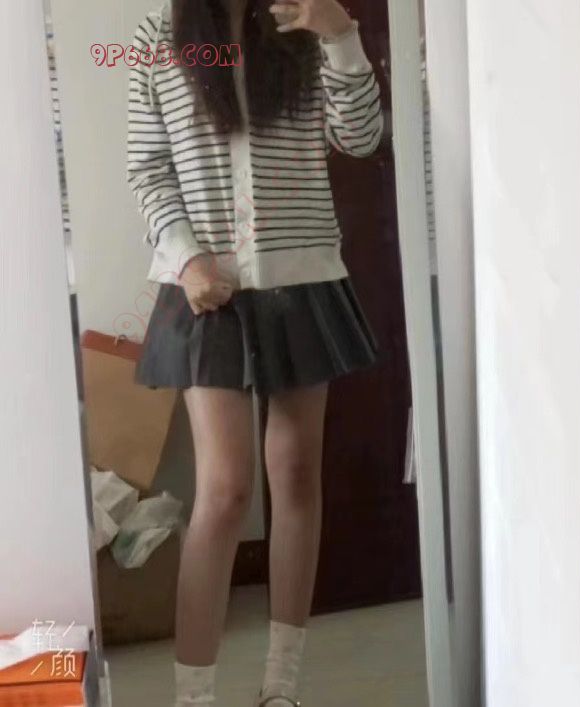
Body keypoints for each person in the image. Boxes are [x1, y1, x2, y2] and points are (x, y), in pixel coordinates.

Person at [126, 0, 383, 705]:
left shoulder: (304, 21)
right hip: (207, 288)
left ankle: (281, 687)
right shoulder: (160, 35)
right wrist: (187, 260)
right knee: (226, 489)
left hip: (303, 278)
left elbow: (360, 137)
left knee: (296, 474)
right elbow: (148, 167)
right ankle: (194, 697)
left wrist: (341, 35)